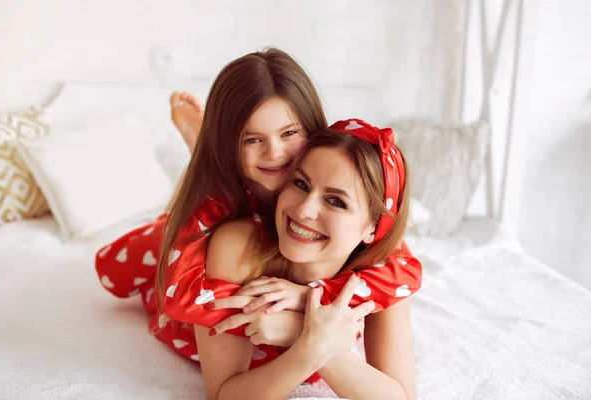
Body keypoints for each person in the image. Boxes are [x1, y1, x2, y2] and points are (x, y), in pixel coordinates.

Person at [95, 49, 421, 390]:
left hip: (278, 231)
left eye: (289, 134)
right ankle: (199, 151)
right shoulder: (232, 236)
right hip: (222, 217)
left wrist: (304, 323)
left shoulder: (367, 227)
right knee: (135, 257)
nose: (275, 153)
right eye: (252, 138)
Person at [191, 120, 415, 399]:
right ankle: (199, 148)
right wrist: (316, 344)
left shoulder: (384, 274)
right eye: (300, 184)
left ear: (373, 227)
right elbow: (224, 394)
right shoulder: (239, 247)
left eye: (336, 201)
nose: (305, 210)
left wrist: (304, 333)